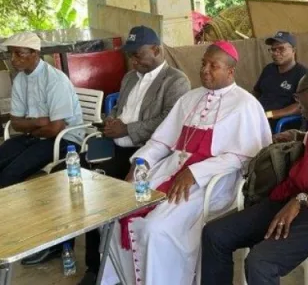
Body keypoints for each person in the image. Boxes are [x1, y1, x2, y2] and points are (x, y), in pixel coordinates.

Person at [100, 41, 272, 285]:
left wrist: (195, 172)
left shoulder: (246, 105)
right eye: (204, 64)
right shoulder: (189, 98)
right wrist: (139, 164)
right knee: (117, 213)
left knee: (155, 228)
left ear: (230, 71)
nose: (205, 70)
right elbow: (161, 141)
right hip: (171, 169)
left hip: (214, 182)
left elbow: (244, 157)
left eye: (214, 66)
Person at [201, 67, 308, 285]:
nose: (297, 105)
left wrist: (302, 200)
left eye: (298, 97)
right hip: (289, 202)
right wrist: (298, 136)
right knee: (214, 234)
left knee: (261, 262)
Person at [75, 26, 191, 284]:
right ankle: (92, 263)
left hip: (144, 150)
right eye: (131, 56)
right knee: (80, 175)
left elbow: (170, 122)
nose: (134, 61)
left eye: (138, 55)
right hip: (114, 142)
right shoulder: (130, 77)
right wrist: (110, 121)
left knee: (102, 192)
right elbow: (117, 108)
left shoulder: (175, 80)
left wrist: (128, 129)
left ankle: (105, 267)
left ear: (157, 50)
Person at [0, 32, 83, 188]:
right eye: (10, 53)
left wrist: (32, 129)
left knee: (10, 174)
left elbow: (55, 128)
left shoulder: (55, 80)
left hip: (65, 139)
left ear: (35, 53)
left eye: (19, 53)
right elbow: (16, 123)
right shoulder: (20, 79)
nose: (13, 59)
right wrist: (39, 122)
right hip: (36, 136)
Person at [254, 31, 308, 130]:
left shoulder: (302, 74)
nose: (275, 53)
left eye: (281, 48)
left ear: (293, 50)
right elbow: (256, 92)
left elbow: (301, 105)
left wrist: (269, 114)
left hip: (281, 123)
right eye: (273, 49)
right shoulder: (268, 69)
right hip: (258, 118)